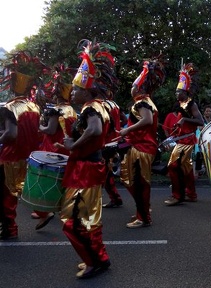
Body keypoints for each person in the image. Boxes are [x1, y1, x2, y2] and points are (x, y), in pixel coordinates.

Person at [60, 39, 116, 278]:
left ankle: (96, 260)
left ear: (86, 89)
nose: (72, 92)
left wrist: (73, 144)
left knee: (76, 220)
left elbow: (93, 131)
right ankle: (97, 258)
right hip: (88, 167)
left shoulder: (90, 108)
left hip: (86, 169)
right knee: (85, 218)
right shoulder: (98, 105)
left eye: (75, 88)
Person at [0, 51, 49, 240]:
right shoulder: (33, 106)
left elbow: (11, 134)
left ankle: (9, 229)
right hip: (28, 155)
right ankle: (44, 212)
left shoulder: (9, 107)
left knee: (7, 196)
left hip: (11, 156)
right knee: (25, 188)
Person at [119, 57, 166, 228]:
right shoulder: (147, 102)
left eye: (133, 86)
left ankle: (143, 217)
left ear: (139, 87)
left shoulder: (142, 102)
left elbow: (146, 121)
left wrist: (127, 130)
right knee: (131, 180)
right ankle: (143, 209)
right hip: (140, 147)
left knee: (139, 183)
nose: (132, 89)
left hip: (142, 149)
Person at [34, 66, 77, 230]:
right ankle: (65, 212)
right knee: (64, 183)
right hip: (66, 149)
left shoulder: (56, 110)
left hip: (52, 150)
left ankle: (46, 212)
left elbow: (50, 130)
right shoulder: (71, 110)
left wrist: (40, 126)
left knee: (43, 184)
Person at [164, 63, 204, 206]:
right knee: (185, 169)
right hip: (183, 139)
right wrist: (180, 124)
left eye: (178, 91)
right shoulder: (182, 104)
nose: (176, 94)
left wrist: (184, 119)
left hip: (186, 141)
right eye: (175, 91)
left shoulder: (191, 104)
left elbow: (200, 121)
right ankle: (191, 194)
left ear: (185, 92)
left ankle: (177, 195)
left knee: (173, 166)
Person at [101, 95, 124, 208]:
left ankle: (115, 198)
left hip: (107, 143)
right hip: (115, 142)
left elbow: (106, 125)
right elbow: (123, 119)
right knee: (108, 174)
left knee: (105, 174)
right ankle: (115, 198)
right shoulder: (114, 104)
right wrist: (118, 130)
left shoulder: (102, 105)